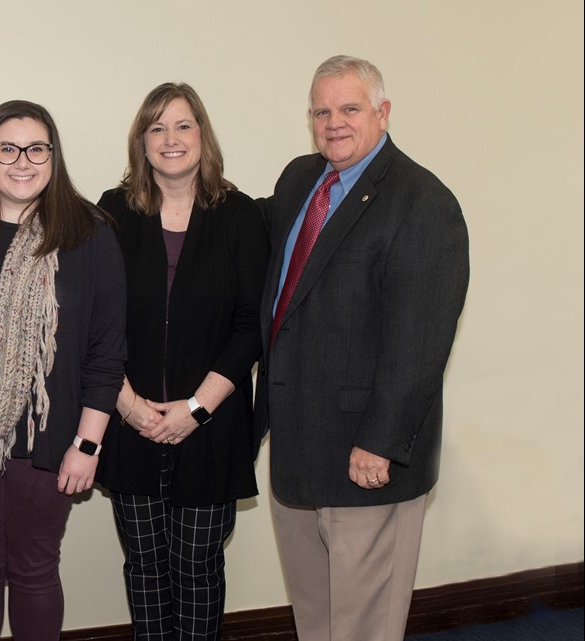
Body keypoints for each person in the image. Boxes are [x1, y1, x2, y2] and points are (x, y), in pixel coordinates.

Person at [257, 55, 469, 641]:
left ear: (383, 112)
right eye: (321, 111)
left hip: (365, 459)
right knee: (316, 618)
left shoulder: (423, 202)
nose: (334, 122)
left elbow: (420, 340)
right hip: (297, 448)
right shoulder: (300, 179)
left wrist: (379, 441)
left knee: (364, 628)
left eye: (350, 108)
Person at [0, 100, 127, 640]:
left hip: (52, 434)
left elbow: (107, 353)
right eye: (8, 148)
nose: (23, 161)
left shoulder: (90, 234)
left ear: (53, 156)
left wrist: (87, 445)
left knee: (36, 569)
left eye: (36, 148)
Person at [95, 83, 269, 641]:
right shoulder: (114, 212)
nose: (171, 139)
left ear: (203, 136)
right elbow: (93, 320)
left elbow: (252, 325)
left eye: (183, 125)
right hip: (131, 426)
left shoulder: (240, 216)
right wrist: (128, 406)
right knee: (144, 567)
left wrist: (195, 408)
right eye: (157, 128)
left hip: (210, 428)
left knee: (198, 568)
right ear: (141, 141)